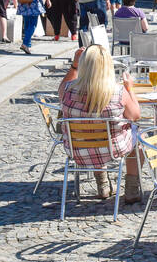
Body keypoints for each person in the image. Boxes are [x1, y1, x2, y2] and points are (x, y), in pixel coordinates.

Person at [59, 44, 143, 204]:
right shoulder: (118, 92)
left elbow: (61, 89)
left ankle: (103, 184)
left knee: (93, 136)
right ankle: (131, 189)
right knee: (139, 137)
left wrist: (74, 65)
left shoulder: (68, 90)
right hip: (112, 149)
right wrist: (129, 88)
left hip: (78, 149)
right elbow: (135, 115)